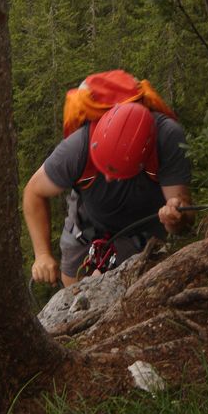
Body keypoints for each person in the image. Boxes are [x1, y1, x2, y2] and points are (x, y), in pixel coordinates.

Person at [23, 72, 194, 287]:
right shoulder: (77, 148)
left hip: (144, 235)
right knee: (75, 298)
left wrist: (174, 218)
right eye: (102, 166)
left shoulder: (167, 139)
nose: (108, 177)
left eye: (117, 172)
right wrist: (42, 255)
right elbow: (33, 192)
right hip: (84, 231)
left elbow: (182, 219)